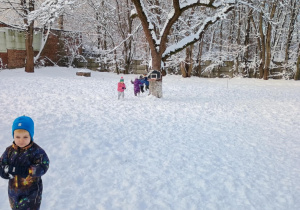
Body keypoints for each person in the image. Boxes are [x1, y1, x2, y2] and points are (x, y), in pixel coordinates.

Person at [0, 116, 50, 210]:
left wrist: (27, 170)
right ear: (13, 136)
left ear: (31, 135)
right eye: (17, 137)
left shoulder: (36, 151)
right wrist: (2, 171)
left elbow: (43, 166)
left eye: (25, 137)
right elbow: (1, 163)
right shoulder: (9, 151)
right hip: (13, 193)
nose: (21, 140)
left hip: (31, 193)